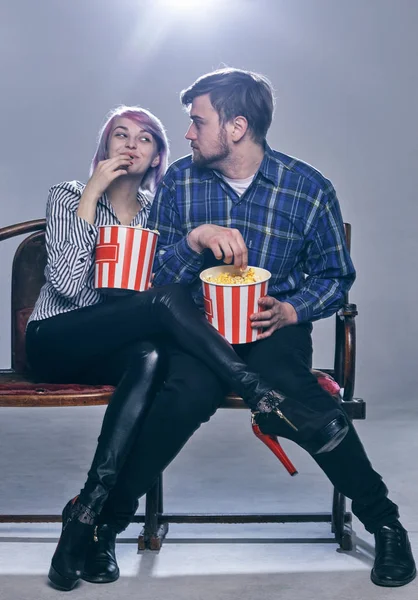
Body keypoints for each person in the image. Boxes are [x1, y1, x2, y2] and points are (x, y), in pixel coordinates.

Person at [26, 105, 349, 591]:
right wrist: (91, 195)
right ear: (104, 146)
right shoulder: (69, 195)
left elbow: (165, 284)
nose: (131, 145)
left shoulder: (161, 210)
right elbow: (71, 286)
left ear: (158, 156)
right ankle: (256, 390)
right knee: (163, 302)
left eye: (145, 139)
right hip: (58, 337)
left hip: (121, 346)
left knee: (152, 357)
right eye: (120, 135)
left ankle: (89, 518)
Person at [146, 69, 414, 588]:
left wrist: (292, 311)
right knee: (181, 395)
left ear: (238, 126)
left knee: (296, 393)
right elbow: (155, 279)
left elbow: (336, 277)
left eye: (198, 122)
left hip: (275, 330)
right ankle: (101, 524)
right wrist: (195, 240)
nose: (188, 133)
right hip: (199, 333)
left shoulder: (308, 188)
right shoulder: (180, 180)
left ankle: (385, 523)